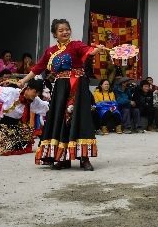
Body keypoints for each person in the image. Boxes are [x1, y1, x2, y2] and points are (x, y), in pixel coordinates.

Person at [17, 19, 106, 170]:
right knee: (60, 118)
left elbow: (88, 51)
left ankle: (84, 158)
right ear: (54, 34)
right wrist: (23, 81)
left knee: (80, 118)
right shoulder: (50, 51)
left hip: (77, 86)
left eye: (67, 29)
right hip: (60, 87)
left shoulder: (76, 45)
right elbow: (38, 68)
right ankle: (63, 157)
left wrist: (96, 50)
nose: (65, 32)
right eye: (61, 30)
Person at [0, 73, 47, 156]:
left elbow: (45, 107)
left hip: (17, 126)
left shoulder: (35, 100)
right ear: (28, 88)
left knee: (21, 145)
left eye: (38, 94)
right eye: (35, 92)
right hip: (3, 124)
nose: (36, 95)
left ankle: (10, 143)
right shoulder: (11, 92)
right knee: (4, 150)